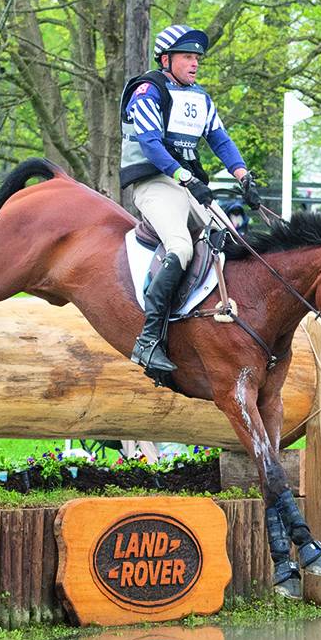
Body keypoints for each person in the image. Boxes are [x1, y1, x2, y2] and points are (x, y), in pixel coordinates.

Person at [119, 23, 260, 376]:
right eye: (187, 57)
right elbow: (151, 144)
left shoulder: (200, 97)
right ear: (166, 60)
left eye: (197, 57)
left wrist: (244, 176)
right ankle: (149, 339)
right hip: (154, 182)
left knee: (232, 238)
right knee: (181, 247)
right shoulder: (148, 91)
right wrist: (186, 177)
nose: (195, 63)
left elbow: (221, 141)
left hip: (186, 183)